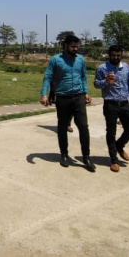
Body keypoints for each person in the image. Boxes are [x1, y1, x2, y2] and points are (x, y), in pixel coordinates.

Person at [40, 34, 95, 171]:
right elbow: (47, 77)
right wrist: (44, 94)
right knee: (62, 127)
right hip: (63, 98)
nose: (75, 49)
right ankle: (64, 154)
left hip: (78, 97)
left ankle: (86, 157)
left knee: (83, 126)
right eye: (73, 46)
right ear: (65, 45)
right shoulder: (55, 60)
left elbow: (84, 77)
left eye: (77, 46)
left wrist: (86, 92)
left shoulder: (80, 59)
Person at [94, 45, 129, 173]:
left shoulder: (126, 67)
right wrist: (106, 81)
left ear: (121, 55)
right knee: (111, 132)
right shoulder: (102, 68)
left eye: (118, 55)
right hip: (110, 104)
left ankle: (119, 145)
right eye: (113, 55)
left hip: (125, 103)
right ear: (109, 55)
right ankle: (113, 160)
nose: (116, 57)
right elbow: (96, 84)